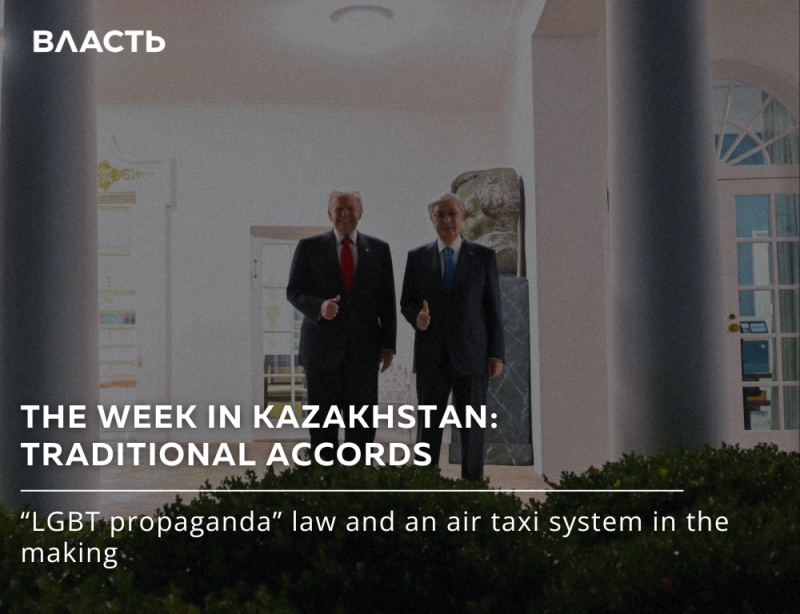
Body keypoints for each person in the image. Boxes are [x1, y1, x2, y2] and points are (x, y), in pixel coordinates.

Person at [400, 192, 504, 481]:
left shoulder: (484, 257)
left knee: (472, 429)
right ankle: (425, 486)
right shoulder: (417, 257)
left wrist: (497, 354)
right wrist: (416, 318)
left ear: (463, 217)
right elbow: (407, 302)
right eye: (440, 215)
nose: (446, 220)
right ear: (431, 220)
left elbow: (493, 309)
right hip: (431, 356)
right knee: (428, 428)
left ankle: (472, 490)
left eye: (452, 214)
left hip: (473, 357)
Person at [287, 190, 396, 463]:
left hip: (364, 353)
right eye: (339, 209)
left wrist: (388, 345)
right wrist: (320, 307)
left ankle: (357, 483)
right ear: (329, 213)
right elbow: (294, 291)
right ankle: (325, 486)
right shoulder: (309, 247)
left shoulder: (379, 249)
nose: (345, 214)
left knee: (362, 425)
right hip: (321, 353)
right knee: (323, 424)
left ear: (361, 212)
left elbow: (387, 301)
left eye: (350, 208)